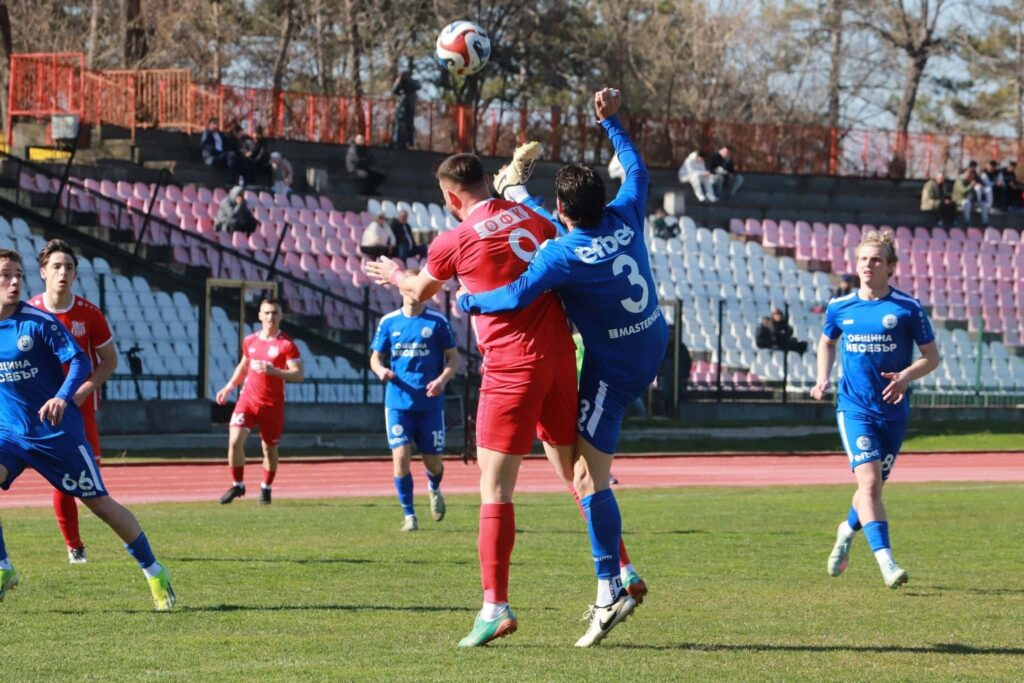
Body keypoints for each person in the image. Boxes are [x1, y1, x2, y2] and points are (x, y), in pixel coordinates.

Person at [457, 87, 666, 647]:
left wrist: (470, 302)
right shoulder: (627, 210)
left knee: (583, 477)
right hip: (652, 343)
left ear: (562, 211)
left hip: (614, 368)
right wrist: (613, 122)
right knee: (580, 468)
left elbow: (515, 295)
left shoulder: (562, 253)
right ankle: (620, 572)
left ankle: (609, 589)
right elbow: (638, 169)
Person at [364, 145, 580, 649]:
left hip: (509, 366)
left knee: (495, 488)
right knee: (578, 474)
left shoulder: (454, 238)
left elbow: (418, 292)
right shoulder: (531, 216)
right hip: (560, 356)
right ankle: (617, 575)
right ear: (489, 181)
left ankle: (494, 606)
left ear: (448, 196)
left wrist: (394, 274)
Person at [0, 249, 175, 610]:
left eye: (18, 274)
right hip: (10, 434)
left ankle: (154, 571)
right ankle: (3, 567)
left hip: (55, 434)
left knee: (100, 505)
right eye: (5, 275)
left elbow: (80, 360)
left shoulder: (38, 322)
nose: (14, 281)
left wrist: (64, 397)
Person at [810, 230, 940, 589]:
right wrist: (822, 379)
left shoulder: (907, 308)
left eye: (876, 259)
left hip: (894, 411)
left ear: (891, 267)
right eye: (863, 259)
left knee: (873, 490)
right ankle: (887, 563)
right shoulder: (840, 307)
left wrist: (905, 377)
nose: (868, 265)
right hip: (854, 408)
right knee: (868, 483)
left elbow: (932, 358)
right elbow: (826, 342)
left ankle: (846, 532)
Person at [27, 240, 118, 565]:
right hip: (42, 413)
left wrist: (83, 391)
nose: (62, 272)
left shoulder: (89, 314)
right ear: (43, 273)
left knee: (89, 481)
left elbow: (109, 360)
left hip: (81, 411)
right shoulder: (29, 312)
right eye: (56, 266)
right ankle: (74, 546)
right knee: (63, 480)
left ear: (76, 274)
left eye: (68, 267)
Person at [369, 280, 459, 531]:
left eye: (415, 287)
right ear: (400, 289)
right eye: (407, 287)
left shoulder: (437, 322)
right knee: (400, 457)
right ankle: (409, 516)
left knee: (433, 463)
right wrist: (381, 370)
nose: (411, 292)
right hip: (398, 402)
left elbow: (453, 358)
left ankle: (433, 486)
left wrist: (442, 380)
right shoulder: (388, 322)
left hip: (429, 404)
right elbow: (375, 358)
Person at [215, 298, 304, 505]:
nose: (271, 317)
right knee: (235, 440)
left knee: (269, 449)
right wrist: (229, 386)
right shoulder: (250, 341)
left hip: (272, 405)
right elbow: (244, 365)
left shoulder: (287, 345)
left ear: (281, 316)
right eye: (267, 313)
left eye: (275, 313)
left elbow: (299, 375)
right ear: (260, 316)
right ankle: (238, 485)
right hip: (248, 400)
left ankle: (266, 488)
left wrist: (275, 371)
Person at [391, 70, 420, 150]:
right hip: (401, 105)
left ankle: (410, 143)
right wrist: (398, 82)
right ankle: (398, 142)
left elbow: (418, 86)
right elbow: (394, 91)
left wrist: (408, 81)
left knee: (410, 124)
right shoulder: (400, 82)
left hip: (410, 105)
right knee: (399, 124)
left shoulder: (413, 82)